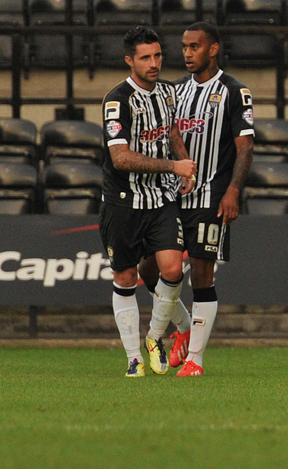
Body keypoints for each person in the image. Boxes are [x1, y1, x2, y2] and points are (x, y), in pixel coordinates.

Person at [138, 22, 255, 377]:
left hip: (211, 196)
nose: (187, 53)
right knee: (149, 268)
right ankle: (185, 328)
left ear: (213, 49)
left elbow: (245, 147)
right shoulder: (174, 91)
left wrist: (233, 190)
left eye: (195, 47)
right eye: (184, 47)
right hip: (173, 197)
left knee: (202, 277)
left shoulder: (234, 91)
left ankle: (196, 361)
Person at [100, 26, 197, 377]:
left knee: (172, 270)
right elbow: (121, 158)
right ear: (130, 60)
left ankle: (155, 337)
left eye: (157, 55)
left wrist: (183, 165)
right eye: (145, 58)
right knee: (126, 277)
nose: (154, 63)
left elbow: (171, 132)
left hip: (161, 199)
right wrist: (174, 166)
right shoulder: (117, 101)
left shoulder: (168, 92)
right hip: (123, 202)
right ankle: (133, 358)